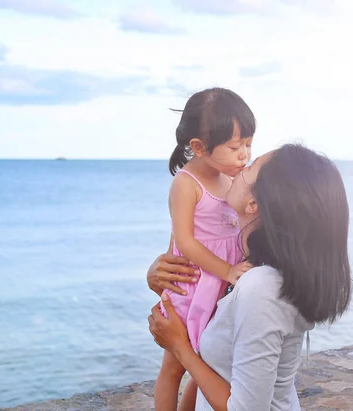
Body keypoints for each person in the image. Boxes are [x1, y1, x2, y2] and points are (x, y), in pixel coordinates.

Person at [148, 144, 352, 410]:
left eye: (251, 166)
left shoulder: (261, 288)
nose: (241, 166)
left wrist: (180, 348)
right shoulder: (249, 268)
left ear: (253, 203)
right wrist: (158, 274)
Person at [155, 87, 256, 411]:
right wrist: (227, 270)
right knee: (174, 368)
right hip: (194, 285)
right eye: (234, 147)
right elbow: (184, 241)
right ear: (198, 147)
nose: (244, 154)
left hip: (222, 288)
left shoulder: (233, 179)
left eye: (249, 145)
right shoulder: (186, 183)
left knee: (209, 365)